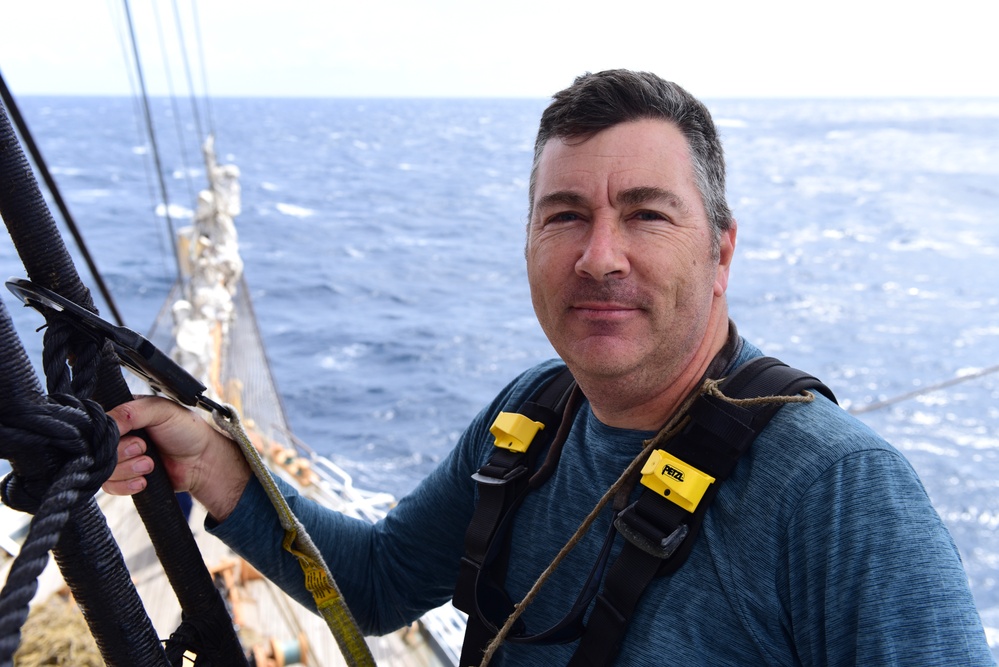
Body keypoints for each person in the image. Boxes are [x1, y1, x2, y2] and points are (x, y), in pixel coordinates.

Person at [104, 70, 995, 665]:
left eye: (646, 215)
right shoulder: (531, 417)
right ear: (528, 240)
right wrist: (209, 459)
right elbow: (372, 584)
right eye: (564, 214)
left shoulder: (837, 490)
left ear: (721, 253)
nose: (599, 255)